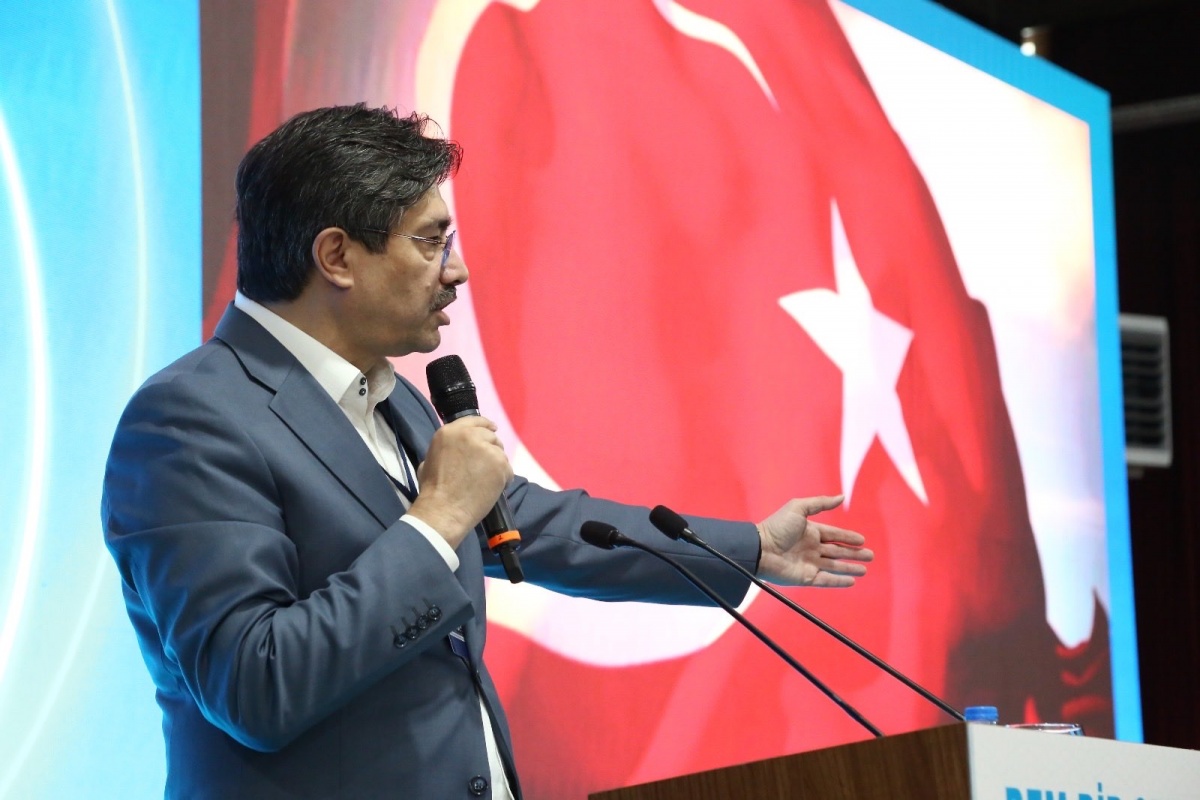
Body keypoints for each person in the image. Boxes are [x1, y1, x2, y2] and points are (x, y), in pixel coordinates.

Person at [101, 103, 872, 800]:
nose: (458, 270)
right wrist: (436, 520)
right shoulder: (190, 419)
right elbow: (254, 684)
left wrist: (748, 550)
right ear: (336, 256)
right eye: (431, 241)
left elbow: (543, 527)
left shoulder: (392, 396)